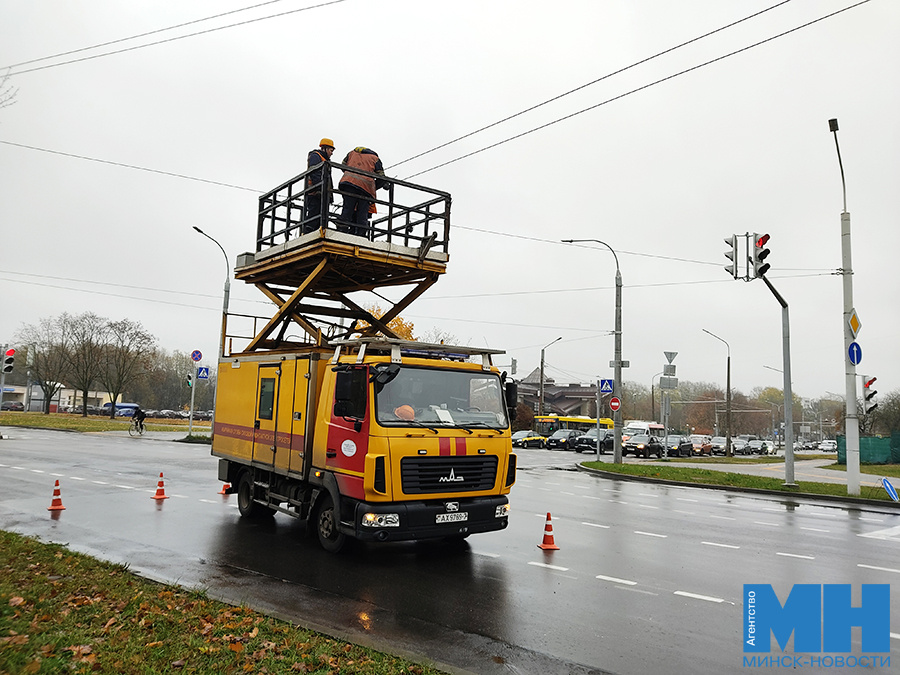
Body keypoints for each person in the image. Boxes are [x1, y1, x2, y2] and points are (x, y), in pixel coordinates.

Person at [338, 146, 387, 238]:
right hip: (365, 189)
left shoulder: (351, 153)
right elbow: (382, 177)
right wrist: (374, 186)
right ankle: (361, 235)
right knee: (362, 213)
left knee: (347, 209)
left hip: (348, 183)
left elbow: (343, 166)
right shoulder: (375, 159)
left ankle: (342, 230)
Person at [304, 138, 335, 234]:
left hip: (321, 192)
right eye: (331, 150)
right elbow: (315, 173)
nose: (332, 153)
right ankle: (307, 233)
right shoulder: (315, 156)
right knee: (314, 215)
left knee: (320, 218)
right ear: (324, 148)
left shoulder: (325, 160)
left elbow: (328, 179)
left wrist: (329, 194)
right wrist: (320, 188)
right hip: (314, 193)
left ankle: (315, 232)